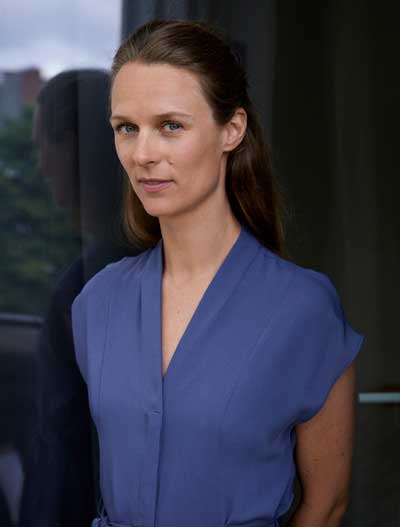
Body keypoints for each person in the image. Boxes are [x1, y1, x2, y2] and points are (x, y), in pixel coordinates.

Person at [71, 18, 365, 527]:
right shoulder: (98, 303)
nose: (143, 155)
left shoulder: (303, 309)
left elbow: (326, 506)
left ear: (232, 129)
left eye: (171, 125)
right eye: (126, 128)